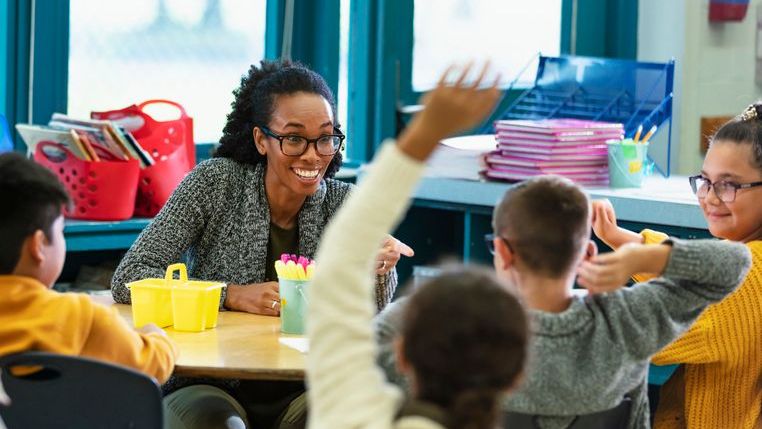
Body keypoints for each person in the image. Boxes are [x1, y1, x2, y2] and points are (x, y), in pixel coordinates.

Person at [374, 158, 752, 427]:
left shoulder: (454, 325)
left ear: (503, 252)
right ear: (587, 252)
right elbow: (734, 262)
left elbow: (357, 349)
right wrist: (638, 253)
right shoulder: (629, 318)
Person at [308, 62, 530, 429]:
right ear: (517, 378)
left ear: (402, 354)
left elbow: (337, 266)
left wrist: (426, 133)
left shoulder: (351, 415)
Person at [111, 59, 412, 316]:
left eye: (325, 138)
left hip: (305, 377)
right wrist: (230, 295)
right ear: (261, 140)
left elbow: (370, 311)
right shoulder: (215, 184)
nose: (312, 154)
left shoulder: (345, 204)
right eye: (293, 139)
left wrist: (378, 269)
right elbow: (130, 277)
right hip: (216, 376)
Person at [592, 102, 762, 429]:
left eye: (728, 185)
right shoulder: (743, 253)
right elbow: (689, 266)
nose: (710, 198)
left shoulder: (747, 275)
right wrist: (617, 238)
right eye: (704, 180)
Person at [0, 153, 177, 383]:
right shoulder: (79, 319)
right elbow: (154, 364)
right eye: (60, 231)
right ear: (39, 245)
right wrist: (157, 335)